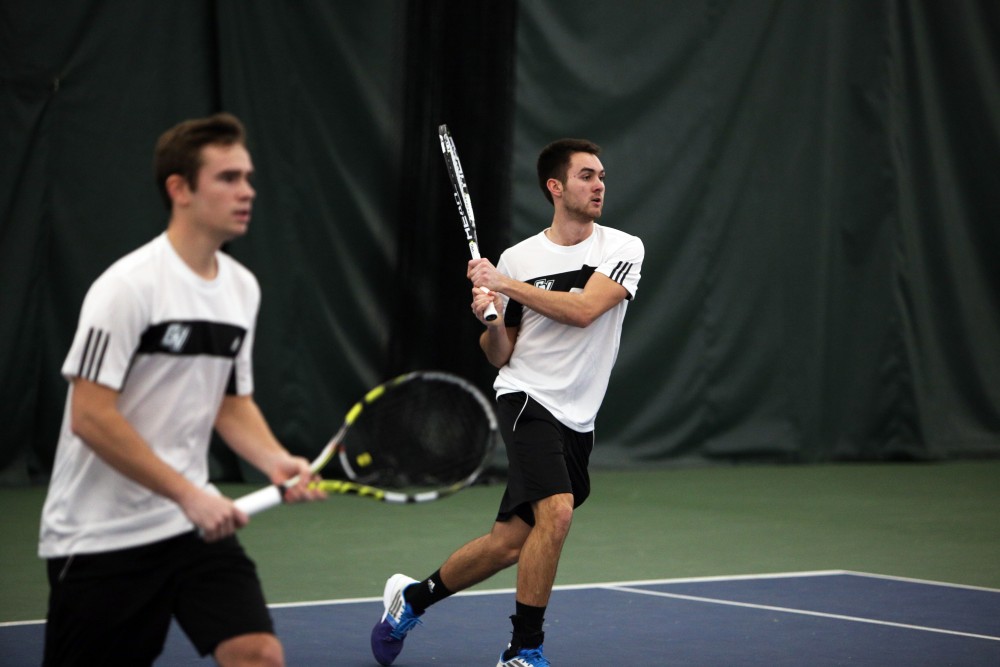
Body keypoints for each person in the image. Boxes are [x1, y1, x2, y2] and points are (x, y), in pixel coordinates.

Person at [38, 112, 325, 667]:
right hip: (102, 537)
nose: (247, 191)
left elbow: (229, 401)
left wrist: (274, 459)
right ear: (180, 188)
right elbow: (90, 418)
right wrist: (190, 494)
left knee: (258, 654)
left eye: (247, 176)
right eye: (228, 178)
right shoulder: (126, 287)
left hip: (190, 531)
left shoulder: (242, 289)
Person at [370, 138, 643, 667]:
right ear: (555, 187)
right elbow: (501, 354)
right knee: (557, 515)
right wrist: (490, 318)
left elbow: (586, 310)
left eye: (602, 176)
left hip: (578, 416)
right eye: (587, 176)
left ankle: (412, 599)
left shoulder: (622, 248)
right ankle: (524, 651)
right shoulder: (521, 257)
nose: (600, 185)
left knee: (508, 545)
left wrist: (505, 286)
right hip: (526, 396)